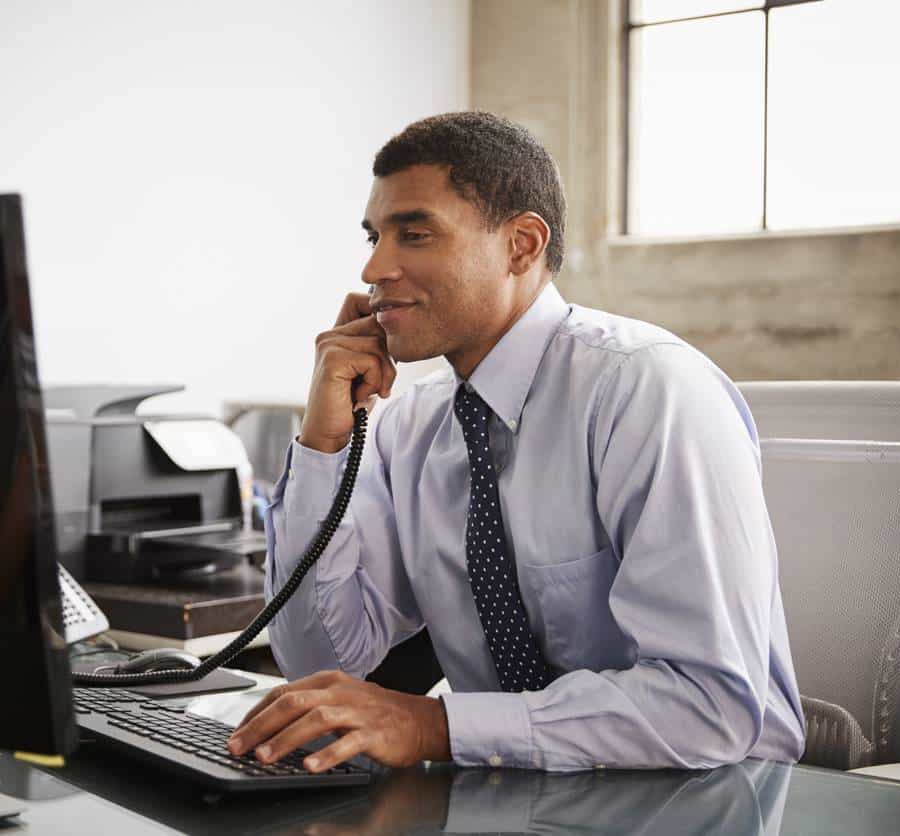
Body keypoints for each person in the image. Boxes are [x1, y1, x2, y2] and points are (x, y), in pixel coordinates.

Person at [228, 112, 806, 774]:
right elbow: (321, 662)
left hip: (713, 793)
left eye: (414, 234)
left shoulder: (647, 391)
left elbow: (709, 706)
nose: (374, 267)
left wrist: (436, 725)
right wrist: (324, 442)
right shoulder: (411, 428)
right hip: (522, 794)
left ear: (522, 246)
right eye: (374, 236)